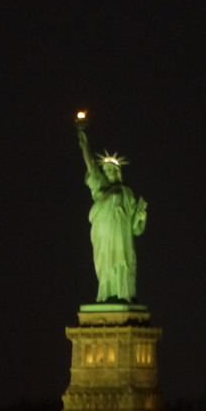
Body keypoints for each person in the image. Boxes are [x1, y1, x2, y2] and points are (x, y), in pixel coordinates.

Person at [77, 125, 147, 302]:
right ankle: (105, 293)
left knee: (122, 261)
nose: (108, 173)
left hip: (121, 232)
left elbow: (135, 227)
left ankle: (124, 293)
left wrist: (140, 216)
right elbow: (92, 166)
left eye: (111, 170)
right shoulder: (101, 187)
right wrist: (85, 145)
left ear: (118, 172)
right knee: (105, 262)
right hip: (103, 231)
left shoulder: (126, 192)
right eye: (106, 171)